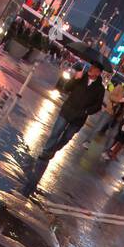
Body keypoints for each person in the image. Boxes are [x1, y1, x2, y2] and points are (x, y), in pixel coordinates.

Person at [21, 62, 104, 196]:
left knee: (66, 138)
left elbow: (98, 106)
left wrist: (87, 111)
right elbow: (66, 88)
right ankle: (46, 152)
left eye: (94, 68)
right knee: (56, 132)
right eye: (91, 67)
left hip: (78, 119)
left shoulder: (100, 89)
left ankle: (53, 150)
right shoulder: (80, 78)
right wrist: (74, 79)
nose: (91, 69)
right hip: (67, 111)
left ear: (98, 73)